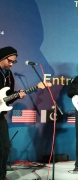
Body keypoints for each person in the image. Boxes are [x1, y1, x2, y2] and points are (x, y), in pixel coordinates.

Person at [0, 46, 26, 180]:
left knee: (5, 146)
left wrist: (17, 95)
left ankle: (1, 175)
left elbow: (8, 95)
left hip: (0, 115)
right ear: (2, 58)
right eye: (10, 61)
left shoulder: (9, 74)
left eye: (13, 62)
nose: (11, 64)